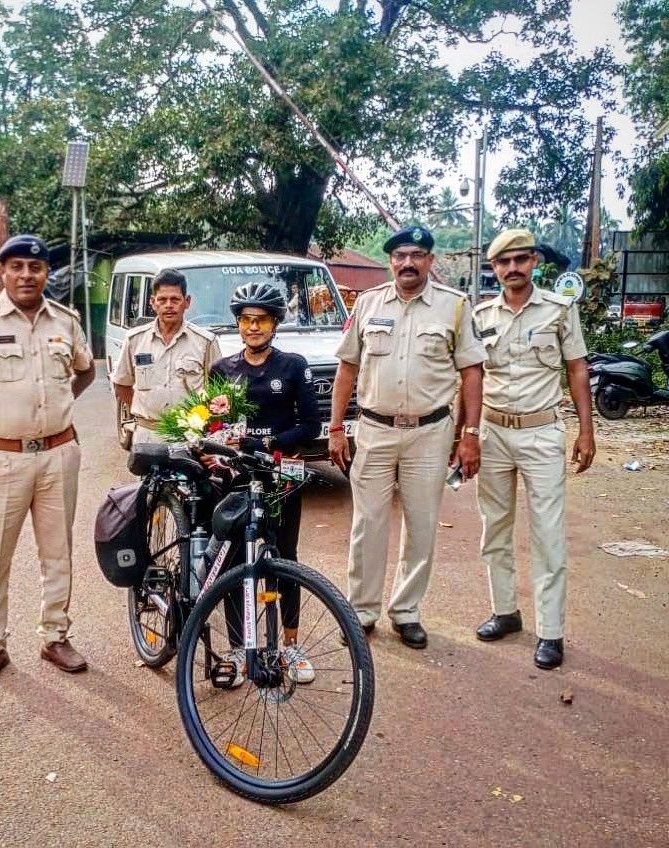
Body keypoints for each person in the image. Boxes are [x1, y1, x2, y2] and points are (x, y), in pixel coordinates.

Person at [0, 234, 96, 686]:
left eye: (36, 267)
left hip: (57, 455)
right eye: (17, 267)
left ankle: (54, 636)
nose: (27, 275)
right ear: (2, 272)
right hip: (0, 458)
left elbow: (86, 369)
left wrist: (61, 403)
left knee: (58, 552)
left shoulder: (65, 321)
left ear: (47, 273)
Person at [329, 225, 486, 649]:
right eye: (400, 255)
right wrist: (336, 427)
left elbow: (472, 372)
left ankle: (407, 612)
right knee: (368, 523)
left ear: (430, 261)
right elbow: (346, 367)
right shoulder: (367, 304)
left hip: (429, 434)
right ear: (390, 261)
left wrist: (470, 433)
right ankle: (361, 612)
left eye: (417, 254)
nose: (408, 263)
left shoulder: (454, 307)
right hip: (375, 430)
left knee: (422, 525)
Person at [473, 229, 595, 670]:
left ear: (535, 261)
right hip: (493, 432)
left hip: (542, 433)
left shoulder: (559, 310)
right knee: (495, 528)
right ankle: (504, 611)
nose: (512, 269)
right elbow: (472, 376)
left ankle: (550, 631)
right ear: (495, 268)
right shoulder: (482, 314)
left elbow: (577, 369)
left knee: (547, 535)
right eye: (503, 263)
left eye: (520, 260)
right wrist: (465, 433)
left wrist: (586, 430)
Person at [210, 282, 320, 684]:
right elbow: (215, 425)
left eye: (262, 320)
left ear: (275, 323)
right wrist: (216, 447)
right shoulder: (223, 370)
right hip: (239, 477)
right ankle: (240, 649)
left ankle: (289, 645)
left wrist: (267, 443)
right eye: (246, 319)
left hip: (282, 473)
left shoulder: (293, 365)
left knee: (284, 557)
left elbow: (309, 426)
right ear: (238, 323)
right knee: (237, 560)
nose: (253, 327)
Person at [112, 269, 221, 445]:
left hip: (189, 435)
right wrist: (145, 409)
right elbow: (122, 384)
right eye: (162, 299)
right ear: (153, 302)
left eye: (175, 299)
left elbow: (217, 394)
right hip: (147, 435)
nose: (169, 305)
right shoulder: (135, 340)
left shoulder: (205, 342)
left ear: (187, 302)